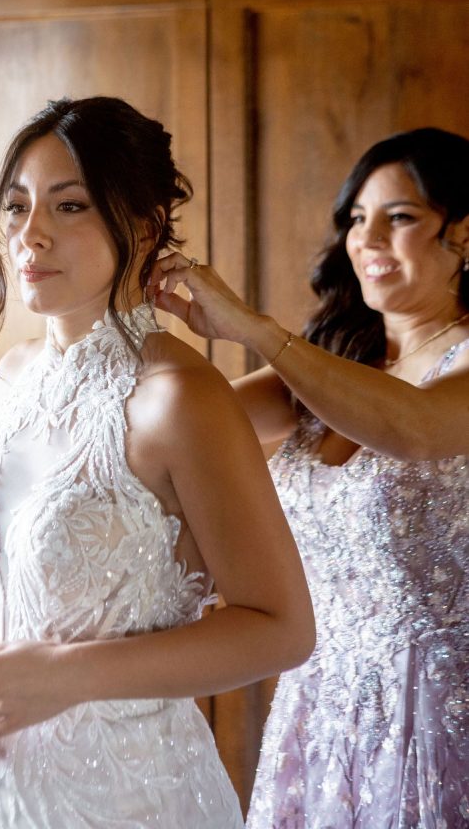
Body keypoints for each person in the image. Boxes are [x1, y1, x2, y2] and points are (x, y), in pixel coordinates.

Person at [0, 96, 315, 828]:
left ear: (141, 227)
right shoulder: (12, 373)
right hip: (12, 793)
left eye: (69, 205)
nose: (30, 234)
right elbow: (0, 534)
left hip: (137, 798)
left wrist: (68, 676)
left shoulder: (178, 399)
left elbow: (281, 627)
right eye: (16, 207)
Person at [150, 127, 469, 828]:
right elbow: (197, 432)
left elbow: (411, 428)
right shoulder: (330, 361)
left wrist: (254, 329)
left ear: (464, 235)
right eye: (356, 218)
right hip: (320, 712)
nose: (367, 238)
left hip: (444, 720)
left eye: (401, 216)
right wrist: (127, 308)